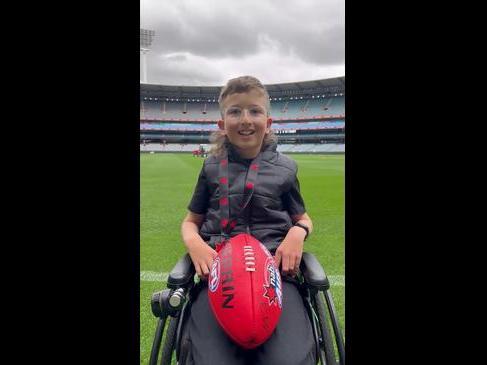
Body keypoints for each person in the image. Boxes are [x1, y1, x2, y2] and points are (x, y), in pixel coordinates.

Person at [180, 76, 315, 365]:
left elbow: (303, 218)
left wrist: (297, 233)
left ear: (268, 123)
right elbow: (191, 221)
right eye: (234, 111)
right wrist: (195, 244)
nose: (245, 119)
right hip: (219, 273)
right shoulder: (211, 167)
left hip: (275, 273)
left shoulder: (286, 169)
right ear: (221, 124)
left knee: (289, 359)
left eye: (254, 111)